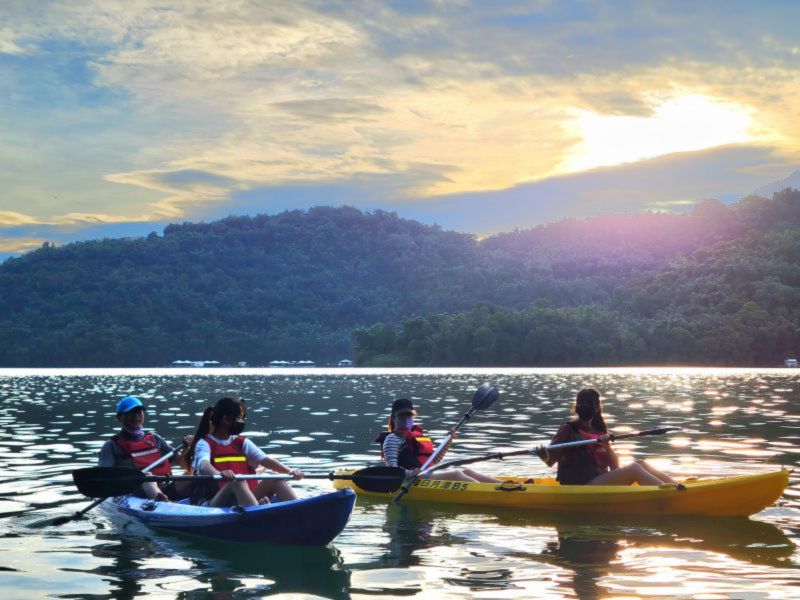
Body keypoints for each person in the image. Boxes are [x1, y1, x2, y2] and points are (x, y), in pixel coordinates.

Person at [535, 388, 682, 487]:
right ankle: (669, 492)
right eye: (581, 403)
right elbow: (550, 461)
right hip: (581, 485)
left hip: (599, 481)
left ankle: (677, 487)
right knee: (634, 468)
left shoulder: (599, 431)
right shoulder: (568, 428)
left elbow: (615, 467)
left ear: (597, 408)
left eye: (588, 403)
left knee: (640, 463)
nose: (584, 406)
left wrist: (606, 447)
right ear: (576, 407)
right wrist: (543, 454)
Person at [184, 396, 304, 507]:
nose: (242, 422)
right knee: (238, 480)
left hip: (243, 498)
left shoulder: (242, 443)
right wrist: (220, 474)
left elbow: (266, 460)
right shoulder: (204, 443)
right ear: (226, 419)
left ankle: (300, 512)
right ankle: (258, 520)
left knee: (274, 478)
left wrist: (290, 471)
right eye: (239, 418)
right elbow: (204, 465)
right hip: (214, 502)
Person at [375, 398, 500, 483]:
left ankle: (508, 486)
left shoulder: (416, 436)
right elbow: (392, 470)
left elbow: (434, 461)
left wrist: (448, 442)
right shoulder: (392, 439)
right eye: (402, 415)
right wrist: (411, 473)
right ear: (393, 418)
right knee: (456, 474)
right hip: (411, 481)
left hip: (426, 475)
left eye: (409, 415)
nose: (406, 418)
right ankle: (493, 493)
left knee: (467, 471)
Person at [98, 395, 193, 501]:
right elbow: (105, 478)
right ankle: (162, 502)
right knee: (147, 476)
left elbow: (183, 464)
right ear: (119, 417)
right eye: (131, 413)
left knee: (192, 472)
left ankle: (206, 501)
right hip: (135, 493)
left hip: (165, 487)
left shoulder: (155, 439)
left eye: (139, 412)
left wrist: (186, 448)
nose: (136, 416)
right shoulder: (111, 446)